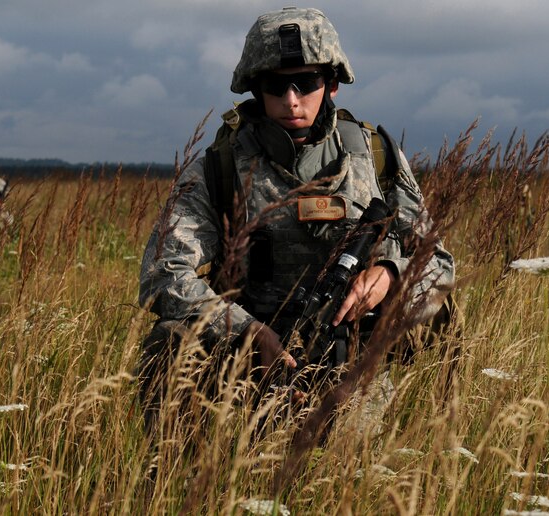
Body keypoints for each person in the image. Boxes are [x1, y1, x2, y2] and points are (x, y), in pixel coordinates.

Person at [137, 7, 455, 437]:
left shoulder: (375, 156)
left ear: (332, 84)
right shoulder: (222, 167)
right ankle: (173, 476)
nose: (291, 99)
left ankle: (437, 439)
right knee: (169, 340)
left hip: (352, 354)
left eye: (306, 83)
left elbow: (438, 261)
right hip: (247, 358)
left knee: (443, 312)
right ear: (255, 89)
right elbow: (162, 273)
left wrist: (391, 275)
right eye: (275, 85)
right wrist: (246, 331)